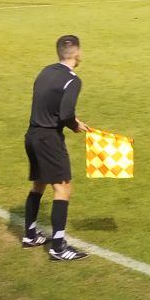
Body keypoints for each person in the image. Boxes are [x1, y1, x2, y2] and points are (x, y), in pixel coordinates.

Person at [22, 35, 91, 261]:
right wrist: (74, 125)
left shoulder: (45, 71)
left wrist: (69, 120)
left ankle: (30, 235)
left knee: (38, 185)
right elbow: (65, 114)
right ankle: (58, 247)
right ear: (77, 54)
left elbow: (45, 101)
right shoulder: (73, 79)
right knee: (63, 188)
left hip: (32, 134)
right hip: (49, 139)